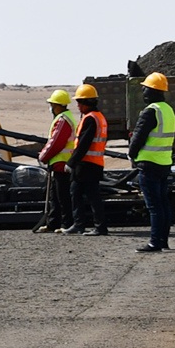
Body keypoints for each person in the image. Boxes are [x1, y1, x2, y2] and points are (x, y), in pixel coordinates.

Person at [128, 73, 175, 253]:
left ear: (152, 91)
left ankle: (155, 242)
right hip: (164, 163)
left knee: (154, 206)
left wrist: (131, 154)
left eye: (145, 88)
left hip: (149, 164)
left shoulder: (151, 111)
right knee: (163, 204)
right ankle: (163, 240)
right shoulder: (168, 110)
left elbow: (139, 136)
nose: (143, 91)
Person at [66, 84, 109, 236]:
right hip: (95, 163)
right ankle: (95, 226)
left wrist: (71, 163)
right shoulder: (100, 117)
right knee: (90, 195)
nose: (77, 105)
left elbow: (84, 143)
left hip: (86, 164)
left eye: (79, 102)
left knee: (78, 194)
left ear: (86, 102)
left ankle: (84, 225)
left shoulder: (90, 119)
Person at [34, 90, 79, 234]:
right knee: (55, 195)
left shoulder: (63, 120)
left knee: (63, 196)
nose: (51, 108)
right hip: (59, 163)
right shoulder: (65, 117)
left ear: (58, 106)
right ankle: (53, 223)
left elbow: (56, 142)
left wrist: (43, 156)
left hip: (62, 163)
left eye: (52, 105)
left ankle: (66, 224)